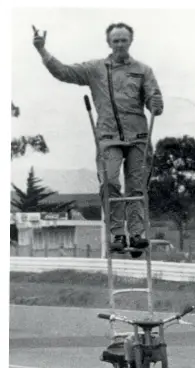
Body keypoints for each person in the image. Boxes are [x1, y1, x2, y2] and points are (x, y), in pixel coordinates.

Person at [32, 22, 164, 253]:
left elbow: (155, 99)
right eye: (116, 40)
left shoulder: (144, 70)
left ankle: (136, 233)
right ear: (109, 43)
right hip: (108, 137)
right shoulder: (95, 68)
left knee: (137, 187)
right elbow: (64, 72)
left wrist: (156, 104)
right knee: (110, 182)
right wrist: (42, 50)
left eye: (124, 40)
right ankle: (118, 234)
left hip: (139, 138)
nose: (120, 44)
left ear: (131, 41)